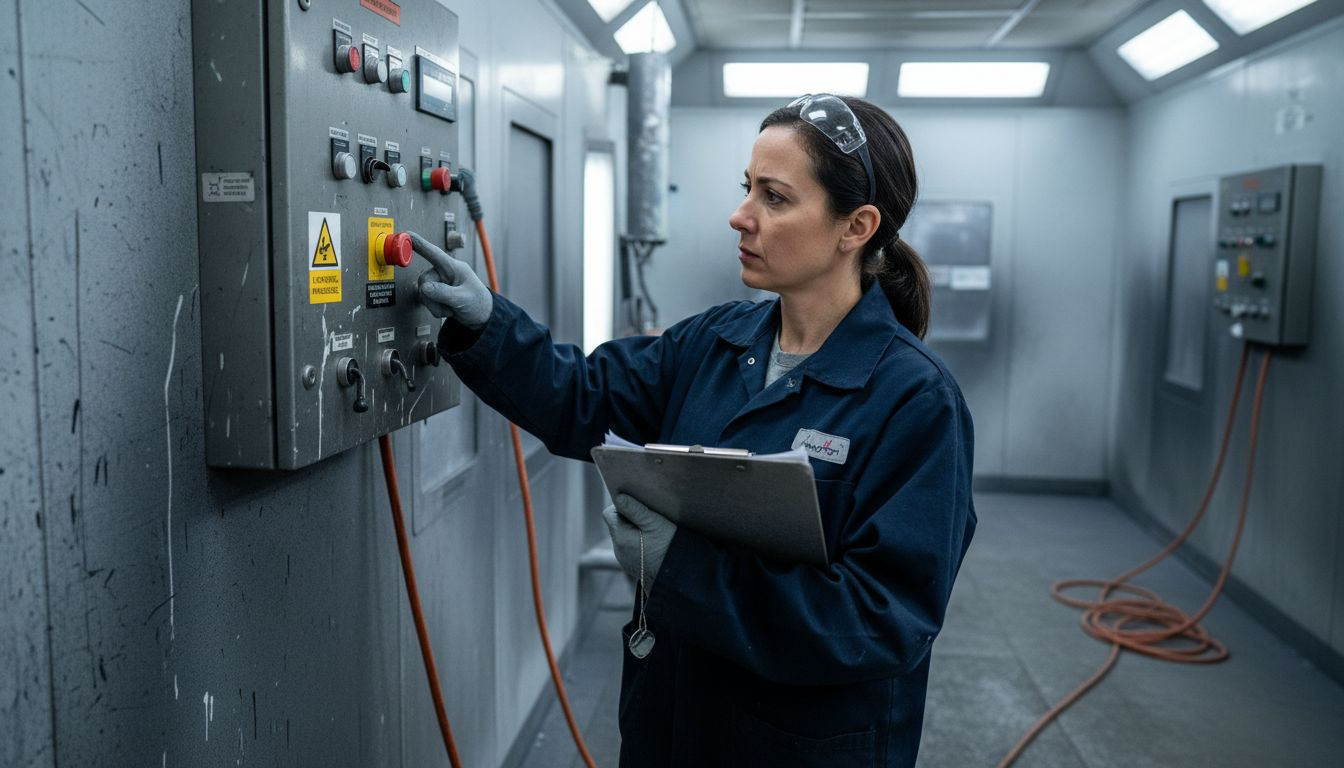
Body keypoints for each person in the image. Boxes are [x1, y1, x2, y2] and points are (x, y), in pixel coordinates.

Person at [412, 94, 976, 766]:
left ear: (855, 226)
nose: (741, 216)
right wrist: (486, 325)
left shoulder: (914, 400)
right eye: (747, 190)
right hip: (673, 720)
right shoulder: (714, 342)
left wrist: (680, 567)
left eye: (774, 197)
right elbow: (583, 396)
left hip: (799, 745)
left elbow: (880, 617)